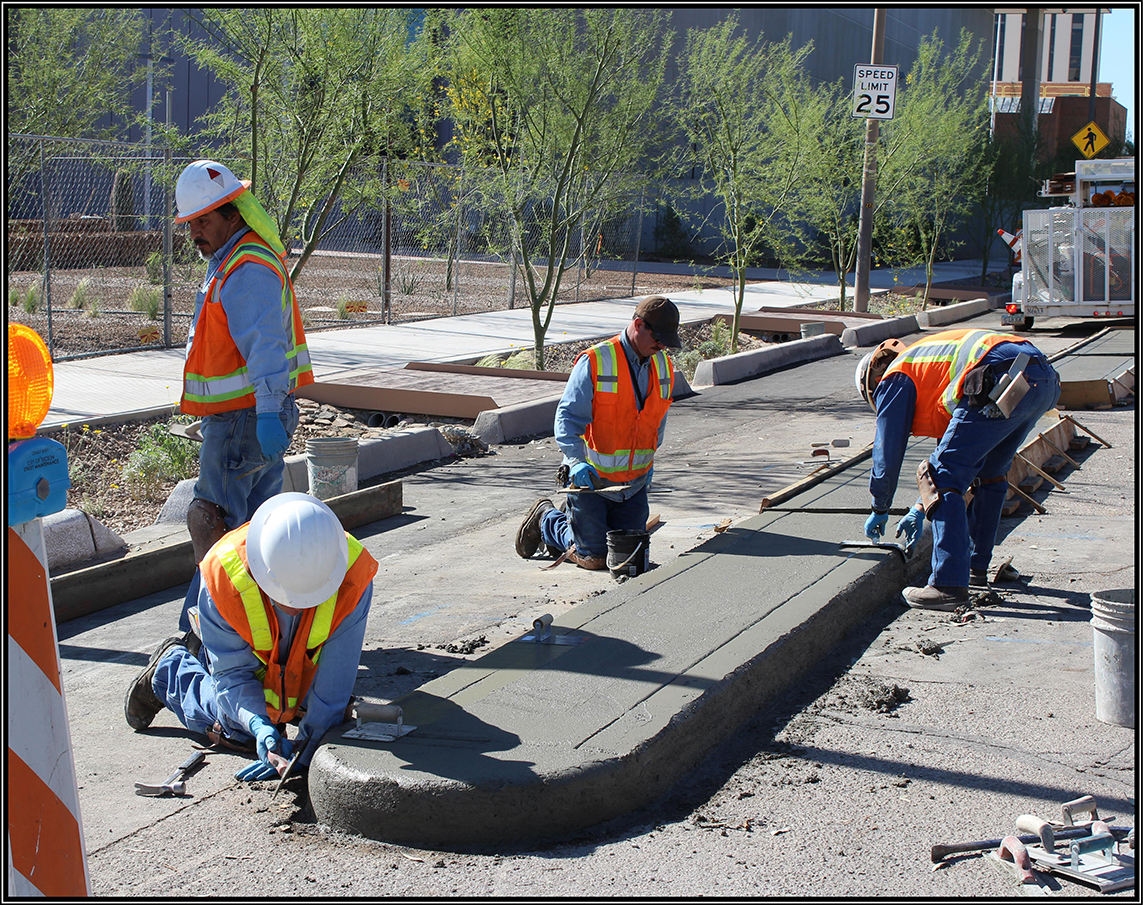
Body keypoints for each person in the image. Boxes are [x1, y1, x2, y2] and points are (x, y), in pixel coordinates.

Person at [125, 493, 378, 781]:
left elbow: (335, 683)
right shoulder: (223, 578)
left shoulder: (351, 574)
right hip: (247, 667)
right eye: (287, 596)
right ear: (261, 569)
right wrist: (259, 726)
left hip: (299, 672)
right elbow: (233, 676)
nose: (297, 607)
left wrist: (308, 752)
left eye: (308, 597)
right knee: (238, 732)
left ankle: (282, 707)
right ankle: (170, 672)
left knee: (333, 722)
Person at [855, 329, 1061, 611]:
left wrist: (880, 506)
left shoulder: (894, 377)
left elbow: (887, 452)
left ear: (873, 384)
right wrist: (918, 509)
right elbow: (954, 458)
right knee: (989, 473)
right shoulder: (932, 370)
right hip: (1038, 377)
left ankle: (947, 585)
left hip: (997, 375)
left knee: (937, 477)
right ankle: (976, 570)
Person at [175, 159, 314, 571]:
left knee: (214, 527)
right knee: (256, 533)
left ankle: (208, 629)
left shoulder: (245, 267)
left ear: (232, 214)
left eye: (203, 220)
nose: (194, 232)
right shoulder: (233, 258)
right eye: (189, 223)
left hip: (246, 417)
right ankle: (260, 626)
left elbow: (264, 346)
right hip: (246, 417)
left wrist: (268, 412)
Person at [515, 296, 681, 570]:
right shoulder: (596, 361)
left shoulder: (661, 365)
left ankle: (580, 522)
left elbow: (657, 418)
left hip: (634, 484)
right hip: (591, 481)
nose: (662, 346)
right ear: (638, 325)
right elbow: (567, 417)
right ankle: (546, 519)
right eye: (659, 338)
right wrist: (575, 461)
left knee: (628, 555)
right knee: (594, 559)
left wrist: (649, 461)